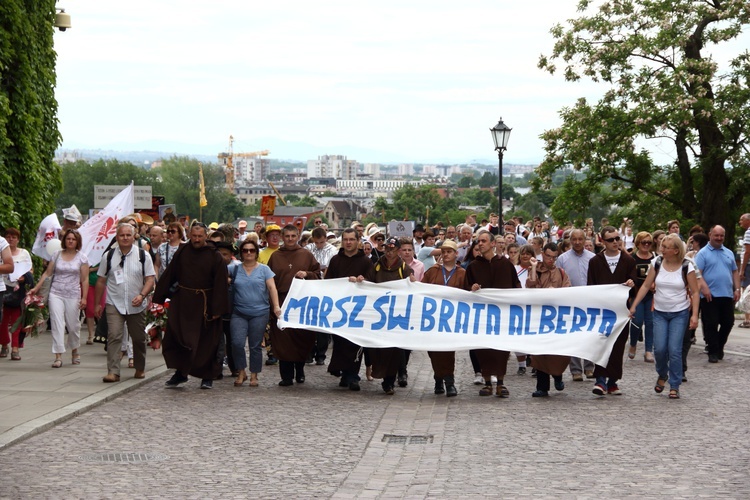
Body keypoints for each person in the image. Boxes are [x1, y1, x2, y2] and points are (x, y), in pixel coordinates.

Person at [154, 222, 228, 389]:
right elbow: (171, 273)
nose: (196, 239)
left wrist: (217, 308)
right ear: (189, 235)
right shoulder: (183, 251)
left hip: (205, 304)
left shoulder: (214, 256)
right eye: (194, 236)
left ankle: (207, 376)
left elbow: (220, 283)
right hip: (183, 302)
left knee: (206, 342)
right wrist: (159, 296)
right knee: (179, 337)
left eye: (200, 236)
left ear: (205, 236)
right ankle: (181, 373)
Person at [629, 234, 699, 399]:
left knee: (674, 350)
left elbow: (695, 292)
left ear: (675, 250)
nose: (662, 249)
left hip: (680, 313)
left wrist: (694, 315)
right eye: (662, 246)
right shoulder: (657, 262)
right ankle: (662, 374)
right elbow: (646, 285)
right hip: (659, 311)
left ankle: (674, 385)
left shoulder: (686, 266)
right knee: (659, 349)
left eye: (666, 247)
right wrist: (634, 305)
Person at [93, 223, 155, 382]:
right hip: (114, 302)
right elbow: (101, 280)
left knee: (138, 338)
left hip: (136, 304)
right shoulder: (108, 256)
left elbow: (150, 279)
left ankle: (140, 367)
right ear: (117, 237)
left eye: (128, 235)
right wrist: (97, 304)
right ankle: (113, 371)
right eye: (122, 235)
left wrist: (142, 295)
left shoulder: (143, 255)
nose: (125, 238)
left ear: (134, 236)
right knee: (114, 335)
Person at [464, 229, 521, 398]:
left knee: (501, 349)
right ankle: (487, 382)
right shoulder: (473, 267)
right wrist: (471, 289)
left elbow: (516, 286)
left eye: (483, 241)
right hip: (482, 316)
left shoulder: (505, 264)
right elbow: (465, 290)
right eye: (478, 241)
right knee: (484, 348)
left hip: (502, 315)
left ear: (493, 244)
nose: (480, 244)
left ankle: (501, 383)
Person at [267, 225, 321, 386]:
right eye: (287, 236)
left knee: (301, 337)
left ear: (297, 236)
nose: (290, 239)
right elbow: (269, 282)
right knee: (283, 339)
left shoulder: (306, 254)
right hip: (282, 301)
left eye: (293, 236)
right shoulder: (275, 256)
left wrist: (307, 274)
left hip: (302, 302)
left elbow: (318, 275)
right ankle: (286, 375)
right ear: (283, 237)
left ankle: (300, 369)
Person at [587, 226, 636, 396]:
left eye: (617, 238)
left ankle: (613, 380)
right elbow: (590, 287)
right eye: (611, 239)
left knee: (618, 345)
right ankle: (600, 378)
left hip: (621, 311)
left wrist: (631, 283)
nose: (615, 242)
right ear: (602, 241)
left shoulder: (628, 261)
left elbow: (634, 283)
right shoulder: (595, 262)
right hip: (602, 311)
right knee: (601, 343)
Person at [325, 228, 375, 391]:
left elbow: (372, 281)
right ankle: (344, 373)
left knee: (355, 344)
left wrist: (363, 280)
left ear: (357, 241)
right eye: (345, 239)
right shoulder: (335, 260)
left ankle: (353, 375)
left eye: (351, 239)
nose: (348, 242)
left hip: (358, 310)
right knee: (340, 342)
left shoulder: (365, 261)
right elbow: (328, 282)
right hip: (339, 308)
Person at [31, 229, 89, 368]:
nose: (70, 241)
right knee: (57, 323)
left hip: (73, 293)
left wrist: (84, 297)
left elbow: (85, 279)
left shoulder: (82, 257)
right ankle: (58, 355)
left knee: (73, 325)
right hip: (56, 293)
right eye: (68, 239)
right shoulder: (56, 255)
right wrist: (36, 288)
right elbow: (47, 273)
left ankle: (75, 350)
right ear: (64, 241)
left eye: (73, 239)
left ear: (77, 242)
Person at [230, 239, 281, 388]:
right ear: (241, 253)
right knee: (237, 343)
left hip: (259, 312)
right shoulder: (234, 269)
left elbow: (272, 288)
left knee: (255, 345)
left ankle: (254, 374)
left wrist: (276, 306)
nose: (248, 253)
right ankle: (241, 371)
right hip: (239, 311)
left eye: (251, 250)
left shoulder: (264, 270)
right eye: (245, 250)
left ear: (256, 253)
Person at [525, 242, 572, 397]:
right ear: (543, 254)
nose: (551, 260)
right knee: (540, 353)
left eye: (554, 257)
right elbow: (530, 287)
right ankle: (542, 386)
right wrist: (532, 268)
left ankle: (557, 376)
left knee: (558, 352)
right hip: (539, 318)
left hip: (557, 319)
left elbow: (568, 291)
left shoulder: (561, 273)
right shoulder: (536, 270)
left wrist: (556, 293)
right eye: (548, 256)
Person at [370, 236, 414, 394]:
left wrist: (412, 282)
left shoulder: (404, 267)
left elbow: (412, 286)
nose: (389, 253)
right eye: (387, 249)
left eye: (393, 250)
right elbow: (369, 282)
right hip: (379, 314)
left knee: (395, 349)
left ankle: (390, 380)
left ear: (398, 251)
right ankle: (382, 375)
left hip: (397, 314)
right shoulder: (377, 266)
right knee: (380, 348)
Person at [421, 239, 464, 397]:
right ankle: (438, 378)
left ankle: (449, 381)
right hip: (432, 318)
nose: (446, 254)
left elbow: (468, 295)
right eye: (443, 251)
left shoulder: (461, 273)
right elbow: (422, 287)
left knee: (447, 350)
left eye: (449, 251)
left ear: (455, 254)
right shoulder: (433, 271)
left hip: (451, 319)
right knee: (433, 351)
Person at [695, 225, 741, 363]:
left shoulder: (728, 253)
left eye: (722, 236)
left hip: (726, 294)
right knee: (711, 324)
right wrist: (704, 288)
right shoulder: (702, 253)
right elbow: (698, 274)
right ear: (710, 235)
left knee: (728, 322)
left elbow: (734, 271)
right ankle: (713, 351)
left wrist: (737, 289)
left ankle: (719, 346)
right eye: (716, 235)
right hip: (710, 295)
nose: (719, 238)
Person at [556, 228, 597, 381]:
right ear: (570, 240)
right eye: (575, 239)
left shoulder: (593, 258)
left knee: (589, 335)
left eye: (581, 239)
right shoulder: (562, 259)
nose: (578, 242)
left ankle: (589, 367)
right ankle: (575, 370)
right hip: (570, 302)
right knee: (573, 336)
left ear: (585, 239)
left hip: (589, 301)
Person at [1, 228, 32, 360]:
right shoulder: (3, 252)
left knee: (17, 320)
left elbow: (30, 270)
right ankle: (4, 344)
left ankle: (15, 347)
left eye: (13, 237)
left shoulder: (24, 253)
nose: (11, 239)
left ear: (18, 239)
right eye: (8, 236)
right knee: (2, 321)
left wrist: (23, 278)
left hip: (18, 291)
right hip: (4, 289)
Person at [628, 231, 656, 362]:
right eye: (643, 242)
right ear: (638, 243)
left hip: (651, 295)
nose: (646, 245)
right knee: (637, 321)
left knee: (650, 322)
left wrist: (655, 283)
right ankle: (633, 344)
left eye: (649, 242)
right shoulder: (631, 258)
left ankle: (648, 350)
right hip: (636, 294)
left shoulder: (655, 258)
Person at [739, 214, 750, 328]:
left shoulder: (748, 232)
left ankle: (747, 319)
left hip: (748, 265)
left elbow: (747, 252)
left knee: (746, 291)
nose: (740, 222)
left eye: (742, 219)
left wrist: (742, 269)